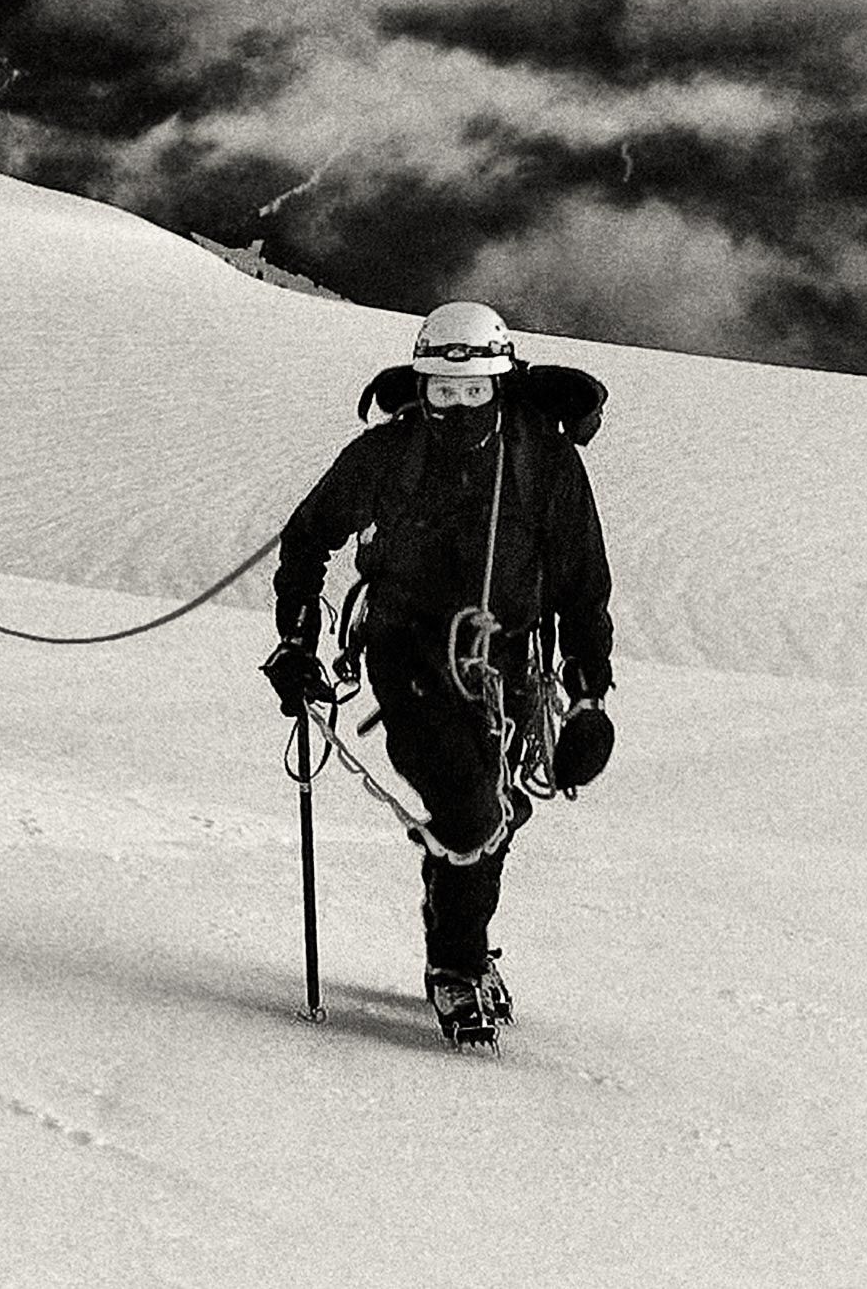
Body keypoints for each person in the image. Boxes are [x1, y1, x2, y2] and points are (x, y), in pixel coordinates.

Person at [263, 301, 617, 1048]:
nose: (456, 406)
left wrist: (588, 699)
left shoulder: (544, 460)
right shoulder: (385, 455)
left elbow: (583, 584)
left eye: (474, 392)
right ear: (421, 386)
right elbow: (307, 539)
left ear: (502, 384)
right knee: (470, 807)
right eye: (443, 392)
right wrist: (297, 641)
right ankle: (454, 964)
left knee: (493, 809)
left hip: (513, 665)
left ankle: (460, 936)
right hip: (408, 653)